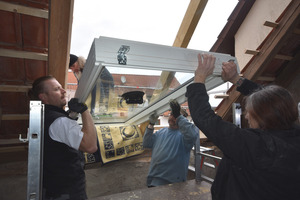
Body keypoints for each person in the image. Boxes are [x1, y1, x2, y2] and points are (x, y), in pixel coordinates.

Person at [186, 54, 300, 200]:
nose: (246, 116)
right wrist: (235, 79)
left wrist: (199, 79)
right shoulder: (293, 133)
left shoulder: (258, 147)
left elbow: (207, 120)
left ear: (263, 118)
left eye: (249, 113)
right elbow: (270, 99)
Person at [30, 75, 98, 200]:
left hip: (52, 187)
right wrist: (84, 111)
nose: (64, 91)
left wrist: (71, 115)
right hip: (67, 191)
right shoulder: (58, 121)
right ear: (43, 97)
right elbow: (91, 146)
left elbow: (58, 137)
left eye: (62, 87)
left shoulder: (44, 115)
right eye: (56, 89)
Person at [143, 99, 198, 187]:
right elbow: (146, 143)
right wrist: (151, 124)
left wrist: (179, 117)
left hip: (174, 184)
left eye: (176, 116)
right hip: (153, 181)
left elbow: (193, 135)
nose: (172, 117)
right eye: (172, 114)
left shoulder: (184, 136)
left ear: (181, 119)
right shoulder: (161, 132)